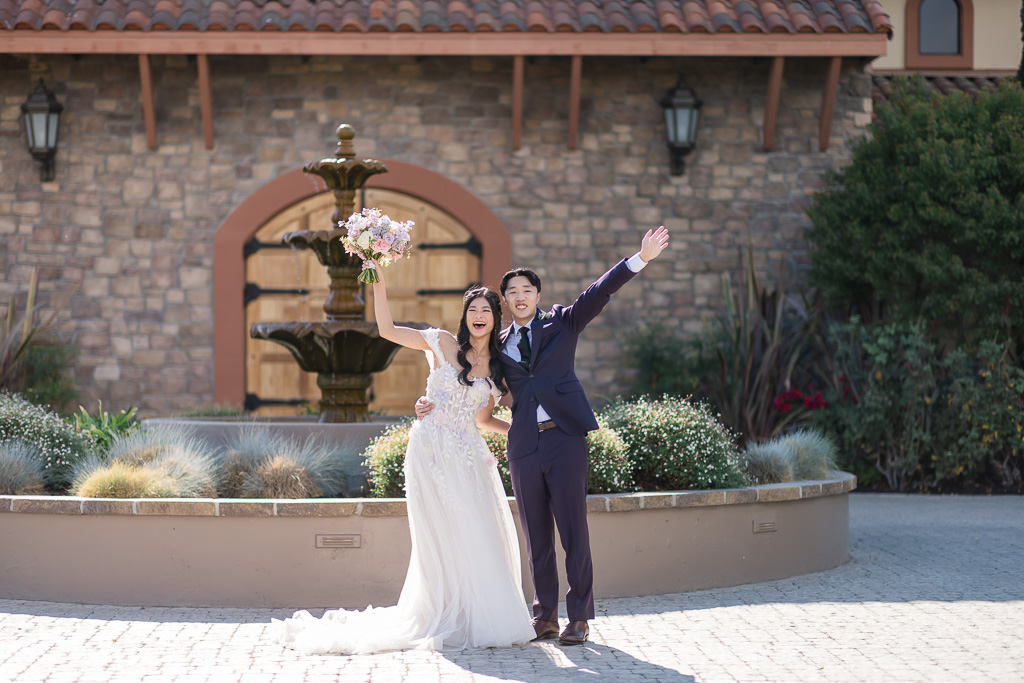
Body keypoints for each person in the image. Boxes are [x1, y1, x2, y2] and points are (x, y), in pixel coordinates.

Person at [416, 226, 670, 645]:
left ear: (536, 295)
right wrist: (426, 404)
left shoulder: (563, 324)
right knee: (536, 537)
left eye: (526, 290)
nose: (519, 296)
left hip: (565, 439)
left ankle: (580, 617)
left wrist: (639, 258)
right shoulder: (494, 348)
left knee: (574, 530)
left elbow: (598, 292)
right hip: (523, 447)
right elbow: (464, 388)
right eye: (511, 291)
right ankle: (545, 617)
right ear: (505, 303)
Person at [273, 263, 535, 654]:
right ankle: (441, 612)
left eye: (487, 311)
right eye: (473, 310)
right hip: (430, 452)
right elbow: (388, 331)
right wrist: (378, 281)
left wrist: (521, 430)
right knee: (443, 534)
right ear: (465, 317)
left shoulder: (498, 370)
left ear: (497, 319)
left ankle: (471, 614)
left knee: (477, 532)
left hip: (469, 457)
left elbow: (482, 419)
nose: (479, 316)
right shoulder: (443, 344)